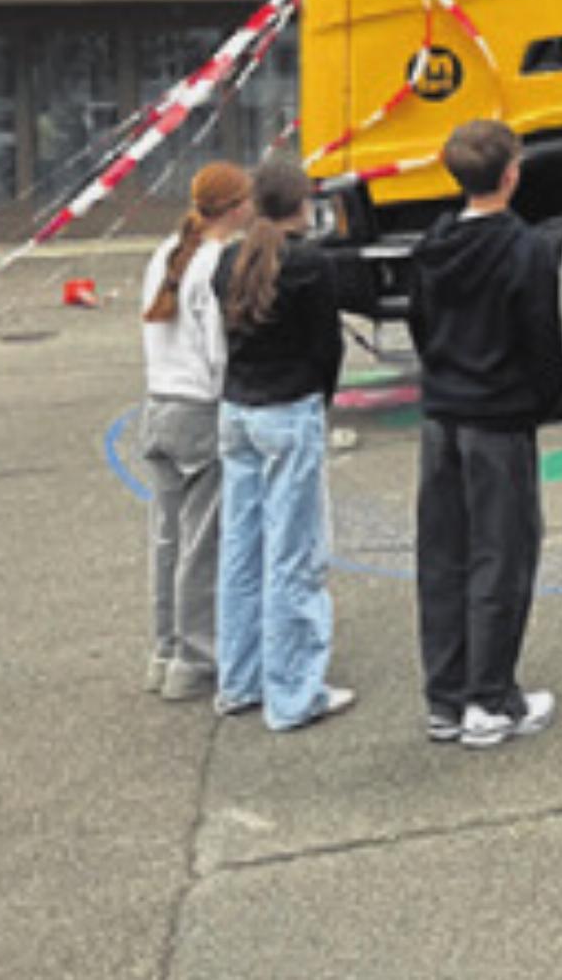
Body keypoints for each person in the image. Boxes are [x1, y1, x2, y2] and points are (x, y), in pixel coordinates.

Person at [408, 119, 562, 749]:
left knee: (442, 554)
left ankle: (445, 696)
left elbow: (420, 323)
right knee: (501, 555)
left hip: (441, 413)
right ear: (511, 174)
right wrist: (542, 398)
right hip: (498, 418)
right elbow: (543, 339)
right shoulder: (526, 250)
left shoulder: (433, 244)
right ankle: (491, 697)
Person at [212, 157, 353, 729]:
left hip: (238, 407)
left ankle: (239, 678)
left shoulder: (229, 260)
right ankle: (294, 692)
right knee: (294, 554)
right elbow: (328, 346)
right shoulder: (311, 265)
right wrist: (321, 399)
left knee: (241, 549)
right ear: (301, 205)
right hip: (288, 407)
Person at [139, 161, 253, 701]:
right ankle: (196, 656)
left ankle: (164, 647)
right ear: (235, 207)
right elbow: (217, 351)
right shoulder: (218, 263)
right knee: (202, 543)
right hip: (199, 411)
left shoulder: (165, 252)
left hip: (158, 403)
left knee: (167, 538)